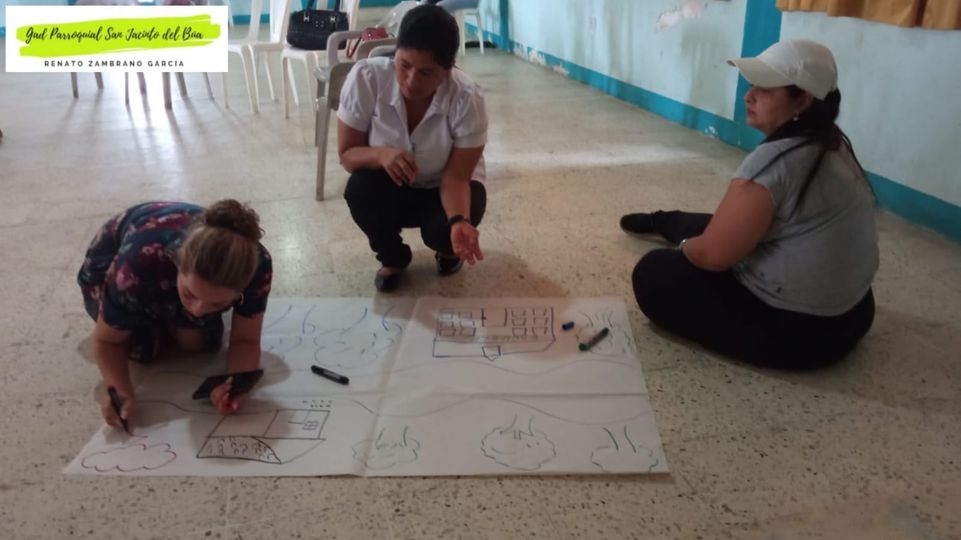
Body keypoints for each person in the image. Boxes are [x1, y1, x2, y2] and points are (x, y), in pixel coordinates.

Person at [622, 40, 878, 370]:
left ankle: (673, 232)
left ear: (802, 99)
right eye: (752, 85)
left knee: (653, 273)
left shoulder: (777, 161)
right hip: (856, 312)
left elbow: (713, 257)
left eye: (765, 89)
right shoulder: (832, 143)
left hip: (803, 334)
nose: (749, 96)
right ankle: (662, 221)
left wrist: (685, 248)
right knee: (723, 223)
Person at [78, 200, 273, 429]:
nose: (197, 310)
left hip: (162, 264)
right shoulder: (137, 266)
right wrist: (120, 390)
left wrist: (235, 385)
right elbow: (106, 341)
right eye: (190, 294)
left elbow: (245, 340)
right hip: (117, 255)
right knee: (143, 350)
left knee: (199, 343)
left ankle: (179, 306)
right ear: (177, 262)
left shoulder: (257, 265)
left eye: (218, 303)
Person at [338, 4, 488, 292]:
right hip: (393, 186)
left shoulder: (466, 96)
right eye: (404, 65)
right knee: (359, 191)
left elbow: (457, 177)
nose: (411, 81)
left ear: (448, 69)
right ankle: (394, 257)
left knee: (446, 232)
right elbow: (347, 154)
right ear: (395, 53)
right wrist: (381, 154)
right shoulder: (367, 78)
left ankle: (448, 249)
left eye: (426, 72)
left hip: (445, 188)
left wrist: (458, 220)